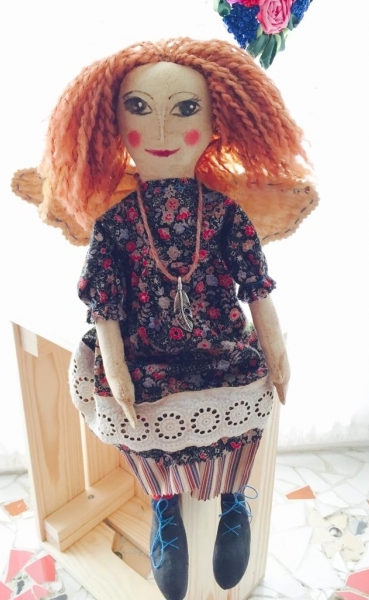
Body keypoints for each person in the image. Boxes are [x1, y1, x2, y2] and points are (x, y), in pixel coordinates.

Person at [37, 38, 315, 600]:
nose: (162, 129)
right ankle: (165, 506)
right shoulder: (115, 224)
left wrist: (277, 351)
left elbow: (255, 286)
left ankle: (233, 499)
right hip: (145, 354)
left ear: (215, 126)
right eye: (139, 110)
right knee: (136, 406)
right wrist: (117, 371)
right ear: (117, 128)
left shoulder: (225, 214)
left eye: (185, 110)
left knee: (248, 383)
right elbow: (105, 305)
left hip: (218, 347)